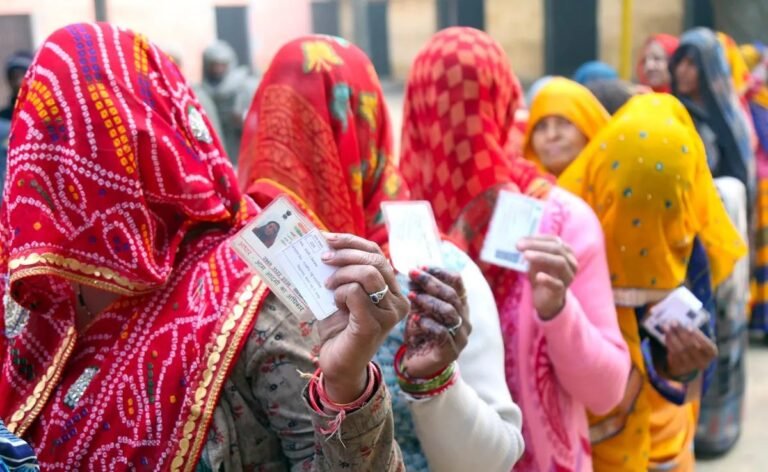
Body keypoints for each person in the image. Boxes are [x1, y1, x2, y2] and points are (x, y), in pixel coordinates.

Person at [0, 23, 407, 471]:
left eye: (85, 144)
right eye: (46, 140)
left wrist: (345, 386)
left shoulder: (255, 294)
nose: (60, 170)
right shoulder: (32, 291)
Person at [237, 34, 525, 472]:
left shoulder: (429, 271)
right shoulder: (230, 281)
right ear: (370, 134)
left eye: (315, 135)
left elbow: (498, 456)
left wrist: (433, 382)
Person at [400, 27, 630, 472]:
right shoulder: (394, 229)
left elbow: (607, 391)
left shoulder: (556, 224)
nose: (458, 130)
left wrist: (558, 312)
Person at [561, 93, 745, 470]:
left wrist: (684, 367)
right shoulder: (564, 238)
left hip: (665, 445)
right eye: (624, 211)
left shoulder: (696, 255)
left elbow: (693, 382)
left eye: (667, 225)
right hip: (586, 445)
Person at [670, 27, 755, 201]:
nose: (682, 71)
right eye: (679, 62)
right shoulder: (674, 113)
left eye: (692, 64)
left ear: (710, 69)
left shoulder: (732, 116)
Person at [523, 77, 610, 179]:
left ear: (589, 126)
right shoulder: (519, 190)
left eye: (564, 123)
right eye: (541, 126)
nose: (551, 135)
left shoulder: (612, 188)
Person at [197, 40, 258, 164]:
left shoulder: (244, 85)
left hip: (238, 141)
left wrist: (243, 119)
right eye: (214, 65)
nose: (218, 69)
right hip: (216, 140)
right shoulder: (203, 90)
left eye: (222, 64)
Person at [0, 51, 32, 121]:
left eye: (23, 76)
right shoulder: (3, 119)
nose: (18, 82)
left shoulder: (47, 117)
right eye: (13, 77)